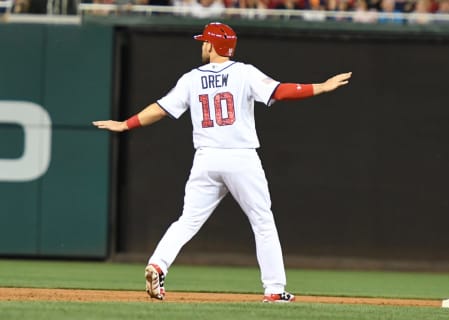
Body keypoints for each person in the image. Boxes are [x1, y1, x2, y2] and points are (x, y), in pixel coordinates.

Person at [93, 22, 352, 303]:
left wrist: (125, 124)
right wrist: (321, 87)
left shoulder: (192, 78)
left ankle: (158, 264)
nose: (202, 45)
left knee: (187, 221)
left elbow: (160, 109)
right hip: (240, 157)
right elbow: (280, 91)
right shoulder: (244, 72)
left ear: (213, 45)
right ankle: (275, 289)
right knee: (262, 221)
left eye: (205, 41)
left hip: (206, 158)